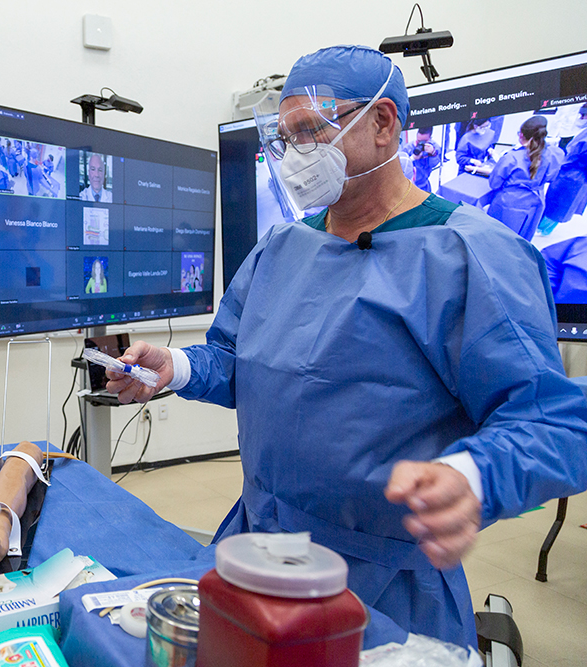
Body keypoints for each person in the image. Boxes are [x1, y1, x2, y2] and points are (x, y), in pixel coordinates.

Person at [107, 46, 587, 650]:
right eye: (284, 139)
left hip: (383, 580)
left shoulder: (469, 257)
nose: (295, 156)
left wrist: (473, 475)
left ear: (384, 123)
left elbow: (553, 421)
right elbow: (237, 363)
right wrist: (173, 368)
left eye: (310, 131)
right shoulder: (281, 248)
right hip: (255, 543)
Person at [485, 116, 563, 240]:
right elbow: (551, 177)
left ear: (521, 135)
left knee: (499, 238)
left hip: (509, 204)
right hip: (535, 203)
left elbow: (495, 183)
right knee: (522, 239)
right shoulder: (553, 154)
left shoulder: (512, 158)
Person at [540, 103, 587, 235]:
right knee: (554, 202)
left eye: (584, 116)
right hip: (570, 173)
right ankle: (543, 227)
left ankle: (543, 229)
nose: (582, 118)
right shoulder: (583, 132)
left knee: (560, 207)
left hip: (574, 176)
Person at [407, 126, 442, 192]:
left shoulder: (434, 147)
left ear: (430, 138)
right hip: (409, 185)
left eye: (424, 141)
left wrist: (433, 153)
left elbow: (434, 164)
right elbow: (401, 166)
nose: (420, 144)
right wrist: (412, 158)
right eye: (419, 141)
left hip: (424, 185)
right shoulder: (409, 147)